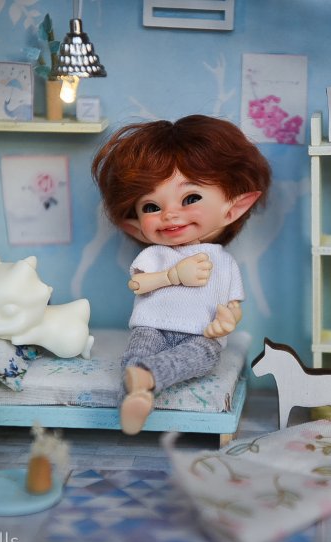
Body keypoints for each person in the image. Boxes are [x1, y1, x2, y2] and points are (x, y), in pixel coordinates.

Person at [92, 115, 271, 434]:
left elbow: (233, 304)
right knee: (136, 352)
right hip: (153, 326)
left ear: (232, 210)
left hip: (200, 334)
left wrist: (227, 321)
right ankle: (135, 398)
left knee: (204, 356)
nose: (170, 214)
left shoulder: (223, 262)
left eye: (190, 198)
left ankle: (144, 382)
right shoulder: (154, 255)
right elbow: (138, 283)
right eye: (151, 207)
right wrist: (174, 275)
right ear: (135, 225)